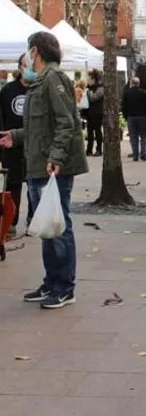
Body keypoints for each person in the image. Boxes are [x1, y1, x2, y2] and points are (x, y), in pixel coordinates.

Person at [0, 31, 88, 309]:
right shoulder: (40, 83)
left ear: (35, 51)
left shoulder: (55, 79)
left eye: (28, 51)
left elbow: (67, 123)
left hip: (52, 167)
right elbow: (41, 127)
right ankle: (52, 282)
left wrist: (57, 156)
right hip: (39, 164)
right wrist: (15, 135)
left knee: (58, 227)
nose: (25, 58)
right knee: (48, 228)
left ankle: (64, 287)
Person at [0, 55, 31, 238]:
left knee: (35, 185)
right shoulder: (7, 91)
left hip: (33, 145)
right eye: (25, 66)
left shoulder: (38, 91)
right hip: (11, 145)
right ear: (19, 67)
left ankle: (33, 220)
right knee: (13, 185)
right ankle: (12, 221)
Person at [122, 77, 146, 161]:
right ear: (138, 84)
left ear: (131, 83)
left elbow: (123, 106)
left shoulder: (127, 93)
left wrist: (125, 116)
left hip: (131, 117)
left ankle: (135, 155)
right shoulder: (143, 93)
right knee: (143, 136)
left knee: (133, 137)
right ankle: (144, 154)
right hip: (142, 117)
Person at [85, 69, 105, 156]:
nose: (88, 81)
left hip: (97, 112)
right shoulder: (89, 88)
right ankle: (89, 150)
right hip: (89, 113)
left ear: (94, 79)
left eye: (90, 79)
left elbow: (94, 98)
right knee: (89, 132)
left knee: (97, 131)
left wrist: (88, 92)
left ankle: (99, 149)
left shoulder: (100, 88)